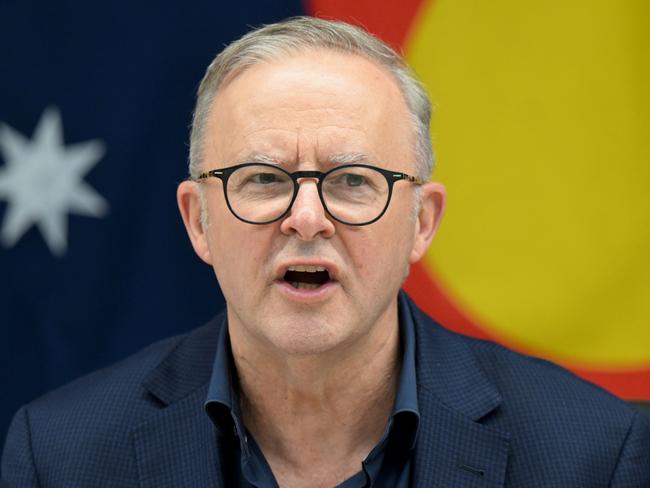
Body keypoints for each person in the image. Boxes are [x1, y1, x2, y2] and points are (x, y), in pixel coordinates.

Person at [2, 16, 649, 488]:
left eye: (352, 181)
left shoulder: (591, 454)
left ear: (422, 223)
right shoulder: (60, 455)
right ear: (198, 222)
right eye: (261, 179)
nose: (305, 219)